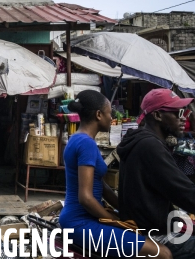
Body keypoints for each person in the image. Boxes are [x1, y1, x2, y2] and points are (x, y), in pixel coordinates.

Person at [59, 90, 165, 258]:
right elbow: (85, 198)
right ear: (99, 115)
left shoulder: (76, 139)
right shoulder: (86, 143)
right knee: (162, 252)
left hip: (77, 219)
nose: (112, 118)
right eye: (110, 113)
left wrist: (124, 210)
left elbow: (101, 186)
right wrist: (115, 221)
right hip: (80, 222)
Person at [118, 88, 195, 258]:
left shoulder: (141, 140)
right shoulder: (150, 146)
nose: (182, 117)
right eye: (177, 113)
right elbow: (183, 191)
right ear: (158, 115)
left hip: (149, 224)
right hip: (154, 235)